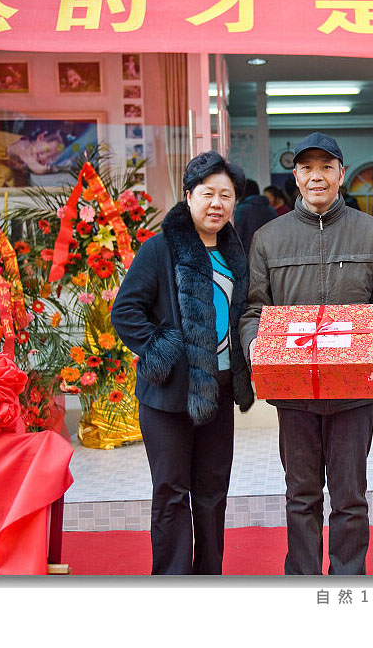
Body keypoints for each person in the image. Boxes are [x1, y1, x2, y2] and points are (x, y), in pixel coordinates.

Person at [240, 132, 373, 575]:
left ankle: (347, 582)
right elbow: (254, 308)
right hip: (294, 393)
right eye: (307, 168)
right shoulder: (268, 238)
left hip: (353, 390)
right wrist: (256, 342)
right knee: (301, 495)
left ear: (341, 174)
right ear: (295, 176)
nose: (317, 176)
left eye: (326, 167)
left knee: (350, 498)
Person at [111, 150, 254, 575]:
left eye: (226, 195)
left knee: (212, 492)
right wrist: (165, 350)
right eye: (207, 194)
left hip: (219, 391)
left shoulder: (235, 253)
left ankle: (209, 574)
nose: (217, 204)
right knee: (172, 492)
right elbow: (125, 311)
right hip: (169, 396)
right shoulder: (160, 250)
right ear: (189, 196)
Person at [233, 178, 278, 253]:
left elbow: (237, 236)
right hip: (270, 254)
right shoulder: (272, 210)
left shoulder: (242, 210)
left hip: (248, 254)